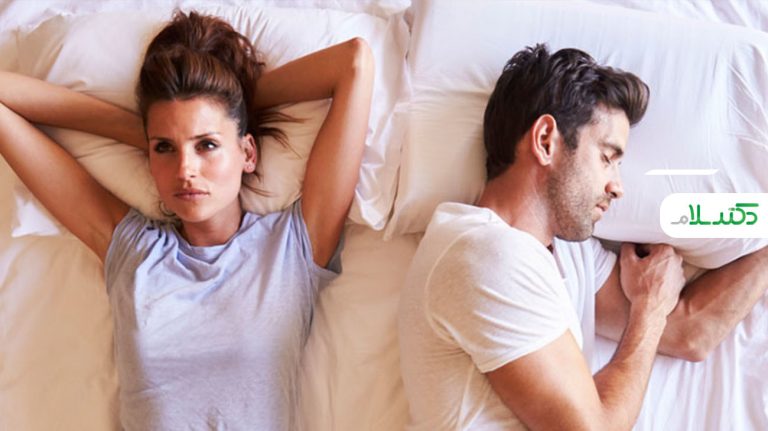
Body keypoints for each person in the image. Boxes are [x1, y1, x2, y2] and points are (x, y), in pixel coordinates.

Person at [0, 11, 373, 430]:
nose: (185, 170)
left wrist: (234, 107)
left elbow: (353, 62)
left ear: (247, 153)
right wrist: (139, 130)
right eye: (165, 149)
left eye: (207, 145)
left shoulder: (292, 250)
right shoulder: (135, 252)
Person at [398, 44, 768, 430]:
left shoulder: (569, 255)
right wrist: (649, 311)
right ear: (546, 140)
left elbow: (690, 332)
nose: (617, 187)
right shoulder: (482, 253)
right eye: (607, 157)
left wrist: (656, 307)